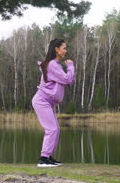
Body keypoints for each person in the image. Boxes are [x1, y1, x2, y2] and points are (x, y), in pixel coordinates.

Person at [32, 38, 75, 168]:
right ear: (57, 49)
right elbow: (68, 80)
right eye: (64, 48)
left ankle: (48, 157)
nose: (65, 51)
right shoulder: (52, 65)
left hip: (46, 102)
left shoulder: (54, 64)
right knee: (52, 129)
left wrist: (68, 70)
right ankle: (43, 159)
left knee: (55, 129)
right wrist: (71, 66)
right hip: (41, 101)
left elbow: (68, 80)